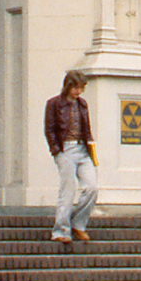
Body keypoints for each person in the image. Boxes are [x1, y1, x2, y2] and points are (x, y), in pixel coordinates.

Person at [43, 70, 97, 245]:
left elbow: (86, 128)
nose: (78, 91)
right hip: (65, 148)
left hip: (82, 148)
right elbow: (49, 129)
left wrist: (90, 146)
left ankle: (78, 225)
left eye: (81, 88)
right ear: (68, 86)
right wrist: (57, 151)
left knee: (92, 187)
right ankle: (60, 231)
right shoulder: (53, 104)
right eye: (76, 87)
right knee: (68, 190)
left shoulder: (82, 104)